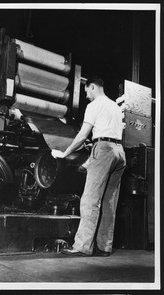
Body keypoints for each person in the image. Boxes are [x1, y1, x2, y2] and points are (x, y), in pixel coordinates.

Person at [51, 76, 126, 257]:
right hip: (120, 152)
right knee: (109, 202)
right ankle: (104, 247)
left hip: (103, 149)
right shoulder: (115, 107)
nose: (86, 96)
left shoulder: (94, 106)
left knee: (90, 200)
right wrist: (90, 160)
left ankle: (82, 246)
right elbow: (111, 135)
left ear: (92, 87)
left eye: (86, 91)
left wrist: (65, 152)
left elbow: (84, 135)